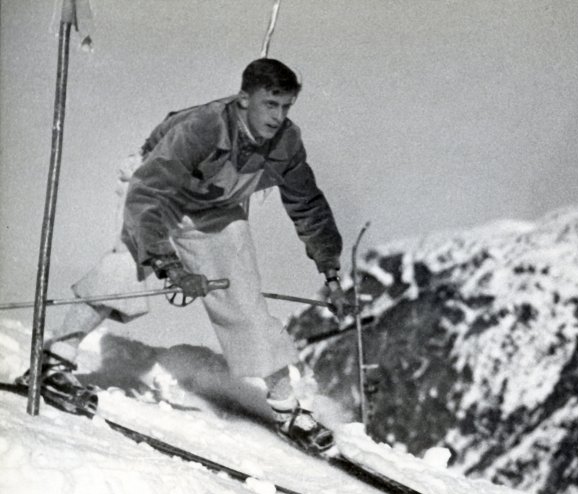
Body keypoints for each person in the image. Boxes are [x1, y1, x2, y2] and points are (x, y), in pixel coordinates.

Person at [25, 58, 346, 451]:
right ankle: (55, 359)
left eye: (286, 107)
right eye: (270, 104)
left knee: (244, 302)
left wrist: (330, 272)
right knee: (128, 268)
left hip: (214, 209)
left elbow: (307, 204)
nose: (278, 117)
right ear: (244, 99)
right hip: (153, 193)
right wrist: (168, 264)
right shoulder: (202, 128)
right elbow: (148, 197)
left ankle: (288, 409)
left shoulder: (286, 142)